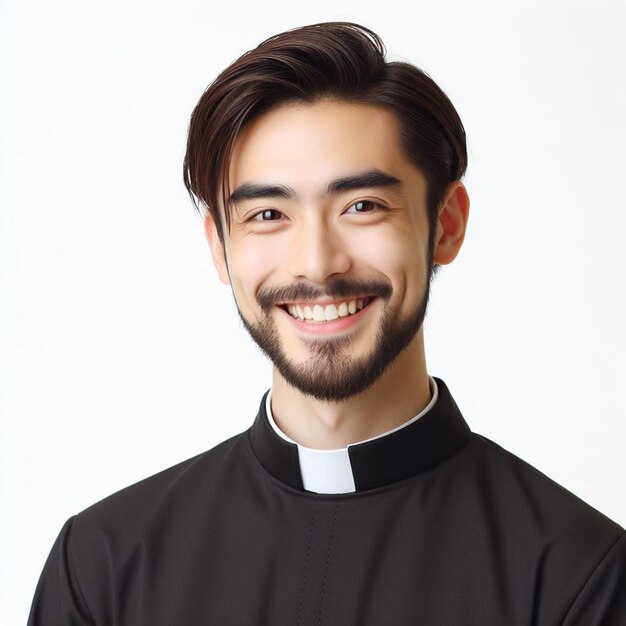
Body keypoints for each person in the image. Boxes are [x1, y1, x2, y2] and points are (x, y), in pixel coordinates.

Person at [28, 22, 626, 625]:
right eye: (267, 214)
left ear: (445, 224)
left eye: (361, 206)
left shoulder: (580, 576)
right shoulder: (102, 568)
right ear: (220, 247)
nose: (317, 263)